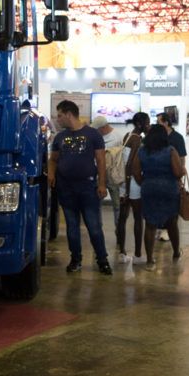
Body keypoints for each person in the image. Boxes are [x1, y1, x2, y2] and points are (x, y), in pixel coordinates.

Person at [48, 100, 112, 275]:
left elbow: (101, 161)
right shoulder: (60, 137)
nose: (58, 119)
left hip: (88, 188)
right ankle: (75, 259)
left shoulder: (93, 135)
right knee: (71, 226)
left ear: (69, 114)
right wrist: (52, 174)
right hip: (66, 189)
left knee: (94, 226)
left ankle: (102, 260)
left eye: (60, 115)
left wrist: (102, 184)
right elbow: (53, 159)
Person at [133, 124, 185, 269]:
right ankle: (175, 253)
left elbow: (135, 172)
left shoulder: (142, 151)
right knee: (172, 223)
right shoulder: (170, 150)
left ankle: (150, 260)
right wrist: (182, 171)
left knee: (150, 225)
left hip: (149, 188)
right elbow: (177, 172)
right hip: (169, 189)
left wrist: (145, 183)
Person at [118, 112, 151, 263]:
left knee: (122, 218)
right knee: (138, 218)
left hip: (124, 182)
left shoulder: (127, 135)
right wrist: (128, 188)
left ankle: (122, 252)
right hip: (132, 183)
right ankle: (138, 254)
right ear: (140, 124)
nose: (148, 125)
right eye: (147, 123)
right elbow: (131, 164)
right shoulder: (137, 139)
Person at [155, 112, 186, 250]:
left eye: (159, 122)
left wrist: (180, 175)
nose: (157, 124)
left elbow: (182, 157)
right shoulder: (157, 137)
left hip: (173, 176)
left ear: (166, 122)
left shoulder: (177, 138)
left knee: (172, 205)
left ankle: (168, 230)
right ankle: (160, 227)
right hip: (159, 176)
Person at [92, 115, 125, 238]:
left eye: (97, 129)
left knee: (117, 206)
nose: (96, 131)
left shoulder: (118, 136)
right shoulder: (96, 137)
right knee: (97, 205)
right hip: (99, 175)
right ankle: (98, 232)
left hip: (114, 176)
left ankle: (119, 232)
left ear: (104, 127)